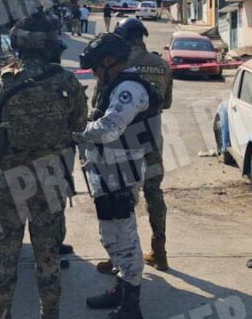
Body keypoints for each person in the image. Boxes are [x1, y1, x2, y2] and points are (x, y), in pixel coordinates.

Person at [0, 14, 88, 319]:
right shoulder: (66, 80)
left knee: (4, 255)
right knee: (48, 257)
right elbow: (79, 124)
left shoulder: (5, 78)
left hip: (10, 179)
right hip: (50, 178)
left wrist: (3, 71)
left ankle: (2, 315)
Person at [74, 33, 163, 319]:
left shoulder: (128, 88)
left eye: (96, 67)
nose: (95, 74)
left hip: (120, 173)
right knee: (111, 235)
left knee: (124, 238)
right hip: (109, 171)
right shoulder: (118, 85)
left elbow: (110, 128)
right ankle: (122, 289)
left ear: (109, 61)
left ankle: (131, 305)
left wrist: (77, 133)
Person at [91, 18, 172, 273]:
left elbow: (98, 103)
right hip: (152, 139)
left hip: (122, 143)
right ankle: (159, 251)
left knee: (122, 197)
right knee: (154, 192)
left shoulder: (118, 64)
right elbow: (166, 103)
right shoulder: (161, 64)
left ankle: (120, 257)